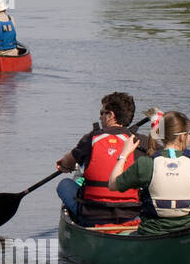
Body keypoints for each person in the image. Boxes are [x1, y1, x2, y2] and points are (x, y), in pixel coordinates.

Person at [107, 110, 190, 235]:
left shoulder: (145, 164)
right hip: (189, 231)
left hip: (151, 233)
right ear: (182, 136)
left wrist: (124, 154)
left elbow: (112, 184)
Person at [54, 91, 142, 227]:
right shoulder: (141, 141)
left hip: (92, 214)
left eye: (102, 113)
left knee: (64, 184)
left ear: (111, 115)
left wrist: (64, 166)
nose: (100, 117)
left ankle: (82, 223)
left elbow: (67, 162)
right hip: (130, 214)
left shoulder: (91, 138)